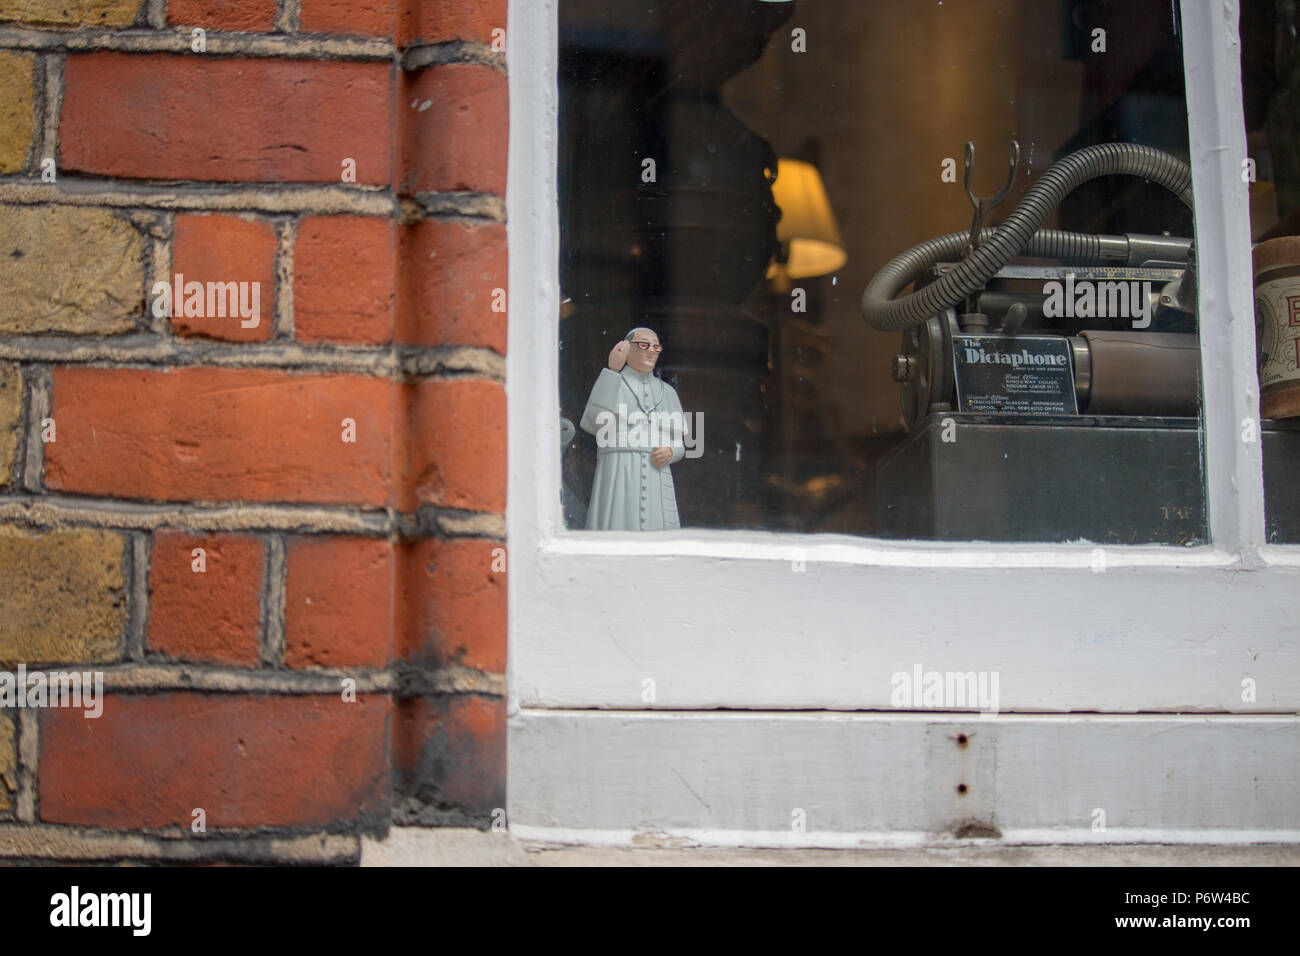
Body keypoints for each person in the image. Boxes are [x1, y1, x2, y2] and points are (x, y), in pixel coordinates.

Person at [580, 328, 687, 531]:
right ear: (627, 348)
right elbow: (594, 423)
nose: (651, 351)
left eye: (656, 347)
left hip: (656, 474)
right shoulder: (612, 382)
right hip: (618, 470)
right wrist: (612, 370)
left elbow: (680, 444)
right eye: (644, 345)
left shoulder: (668, 393)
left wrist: (671, 452)